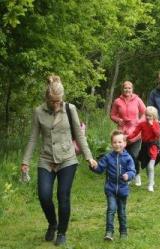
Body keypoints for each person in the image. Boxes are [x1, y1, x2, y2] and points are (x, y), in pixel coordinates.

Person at [20, 75, 97, 246]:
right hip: (46, 159)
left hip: (67, 159)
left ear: (62, 98)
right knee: (44, 195)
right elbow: (33, 138)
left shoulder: (70, 109)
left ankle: (61, 232)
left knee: (63, 196)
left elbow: (79, 135)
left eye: (58, 101)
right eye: (52, 101)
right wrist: (25, 161)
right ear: (46, 98)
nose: (55, 105)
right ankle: (52, 223)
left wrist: (89, 157)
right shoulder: (38, 112)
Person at [90, 130, 136, 241]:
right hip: (110, 189)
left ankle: (123, 232)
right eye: (115, 142)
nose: (117, 144)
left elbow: (133, 171)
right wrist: (94, 166)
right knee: (111, 209)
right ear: (112, 144)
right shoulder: (108, 157)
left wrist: (128, 175)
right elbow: (100, 169)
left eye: (120, 142)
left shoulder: (128, 158)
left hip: (123, 190)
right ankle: (109, 232)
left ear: (125, 143)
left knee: (121, 212)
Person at [110, 81, 146, 186]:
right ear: (122, 89)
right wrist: (118, 120)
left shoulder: (137, 100)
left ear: (132, 89)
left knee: (133, 155)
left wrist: (139, 122)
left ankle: (137, 175)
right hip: (122, 134)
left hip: (136, 132)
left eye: (129, 88)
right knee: (125, 156)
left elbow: (145, 112)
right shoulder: (117, 101)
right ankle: (129, 176)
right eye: (126, 88)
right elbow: (112, 115)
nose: (127, 90)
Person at [127, 106, 160, 192]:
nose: (148, 117)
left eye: (150, 116)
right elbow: (135, 132)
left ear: (154, 116)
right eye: (147, 115)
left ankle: (150, 185)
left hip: (153, 147)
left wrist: (152, 125)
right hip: (144, 147)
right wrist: (127, 137)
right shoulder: (142, 124)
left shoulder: (156, 124)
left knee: (150, 166)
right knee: (146, 165)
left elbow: (157, 135)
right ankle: (151, 181)